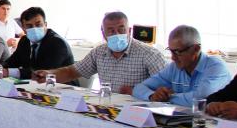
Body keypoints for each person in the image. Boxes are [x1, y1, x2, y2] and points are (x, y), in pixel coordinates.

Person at [33, 11, 166, 94]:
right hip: (108, 107)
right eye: (111, 31)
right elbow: (71, 72)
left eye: (121, 29)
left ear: (129, 31)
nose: (116, 34)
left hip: (139, 111)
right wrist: (49, 74)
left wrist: (138, 92)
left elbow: (165, 89)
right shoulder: (99, 52)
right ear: (103, 33)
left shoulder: (149, 54)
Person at [132, 25, 231, 107]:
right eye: (171, 51)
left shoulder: (216, 67)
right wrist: (152, 96)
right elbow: (139, 88)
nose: (173, 58)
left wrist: (167, 98)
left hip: (216, 122)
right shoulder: (174, 67)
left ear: (196, 49)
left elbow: (200, 99)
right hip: (184, 119)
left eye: (178, 52)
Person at [1, 7, 75, 81]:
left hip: (61, 85)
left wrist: (9, 72)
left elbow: (42, 73)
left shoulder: (58, 43)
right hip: (33, 85)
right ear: (23, 28)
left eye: (38, 25)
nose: (34, 29)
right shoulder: (24, 40)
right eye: (29, 26)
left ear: (45, 24)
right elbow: (12, 62)